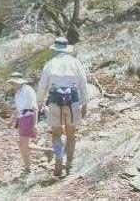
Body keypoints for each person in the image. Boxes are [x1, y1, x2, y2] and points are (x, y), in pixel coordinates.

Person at [37, 37, 88, 177]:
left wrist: (39, 102)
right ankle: (69, 164)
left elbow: (42, 85)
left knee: (56, 133)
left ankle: (59, 157)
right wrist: (85, 103)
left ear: (55, 49)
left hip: (54, 100)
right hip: (72, 100)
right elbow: (83, 83)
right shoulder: (75, 63)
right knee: (71, 134)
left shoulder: (49, 64)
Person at [7, 72, 53, 176]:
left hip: (28, 118)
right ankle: (48, 151)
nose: (12, 85)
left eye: (13, 82)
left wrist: (35, 124)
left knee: (23, 145)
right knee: (23, 145)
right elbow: (18, 110)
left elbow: (34, 107)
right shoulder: (17, 94)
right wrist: (11, 121)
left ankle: (28, 168)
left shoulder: (28, 90)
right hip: (22, 119)